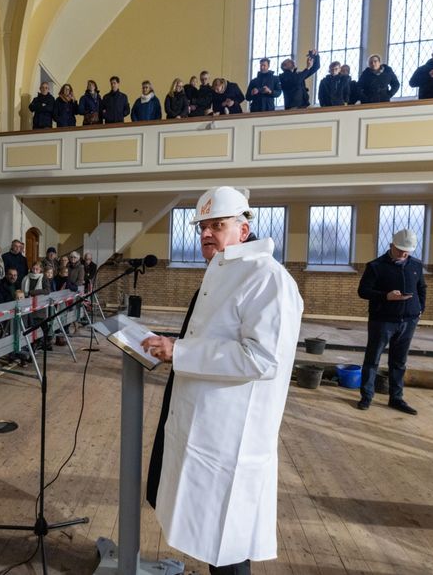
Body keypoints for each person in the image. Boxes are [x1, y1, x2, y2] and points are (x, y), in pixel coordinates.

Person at [141, 186, 302, 574]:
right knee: (212, 535)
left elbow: (261, 358)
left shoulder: (267, 278)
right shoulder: (223, 273)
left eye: (218, 225)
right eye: (203, 227)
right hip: (201, 420)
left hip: (231, 435)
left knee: (228, 541)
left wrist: (179, 352)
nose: (207, 234)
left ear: (243, 231)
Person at [356, 229, 426, 415]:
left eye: (407, 251)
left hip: (408, 321)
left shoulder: (416, 265)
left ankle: (396, 398)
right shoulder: (376, 266)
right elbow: (363, 291)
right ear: (391, 245)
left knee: (399, 362)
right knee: (373, 359)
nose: (404, 253)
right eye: (400, 249)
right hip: (383, 320)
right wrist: (385, 296)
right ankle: (366, 396)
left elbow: (421, 288)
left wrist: (419, 310)